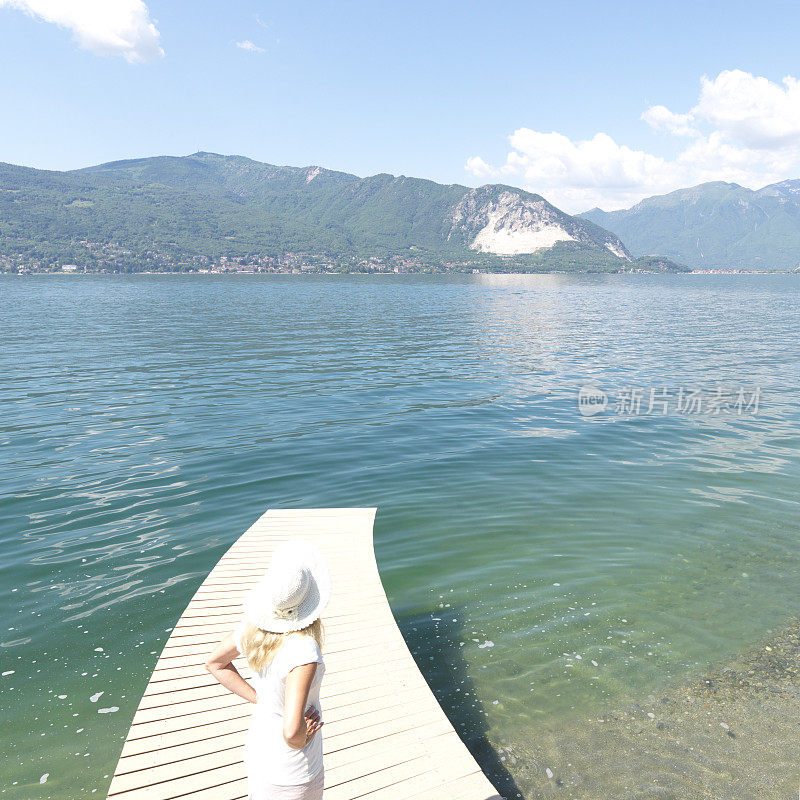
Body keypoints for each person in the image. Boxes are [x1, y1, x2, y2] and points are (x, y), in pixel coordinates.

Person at [206, 538, 330, 800]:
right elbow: (291, 733)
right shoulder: (304, 650)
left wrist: (262, 699)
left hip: (261, 753)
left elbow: (215, 664)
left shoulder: (252, 628)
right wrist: (302, 739)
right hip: (294, 771)